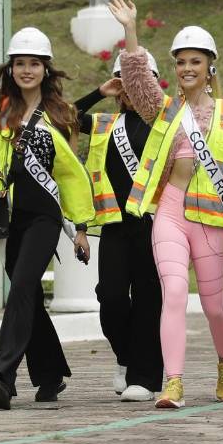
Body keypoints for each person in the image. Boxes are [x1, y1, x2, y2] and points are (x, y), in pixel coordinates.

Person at [109, 0, 223, 410]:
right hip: (171, 212)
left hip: (212, 217)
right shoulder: (164, 110)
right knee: (174, 293)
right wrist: (131, 32)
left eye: (195, 61)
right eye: (180, 62)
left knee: (214, 307)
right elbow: (138, 83)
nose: (187, 69)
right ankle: (173, 382)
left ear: (211, 66)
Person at [0, 7, 92, 411]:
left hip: (46, 219)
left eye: (34, 63)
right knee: (25, 292)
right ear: (11, 68)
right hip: (12, 218)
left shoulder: (61, 116)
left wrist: (79, 227)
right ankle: (50, 375)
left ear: (46, 69)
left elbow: (70, 174)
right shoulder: (2, 109)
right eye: (19, 63)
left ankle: (2, 378)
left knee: (20, 292)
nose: (27, 70)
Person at [75, 51, 163, 402]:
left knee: (148, 301)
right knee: (110, 298)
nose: (129, 89)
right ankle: (125, 356)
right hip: (114, 224)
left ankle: (144, 376)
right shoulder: (103, 124)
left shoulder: (164, 122)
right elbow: (59, 115)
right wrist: (100, 91)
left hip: (152, 223)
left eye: (137, 81)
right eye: (123, 82)